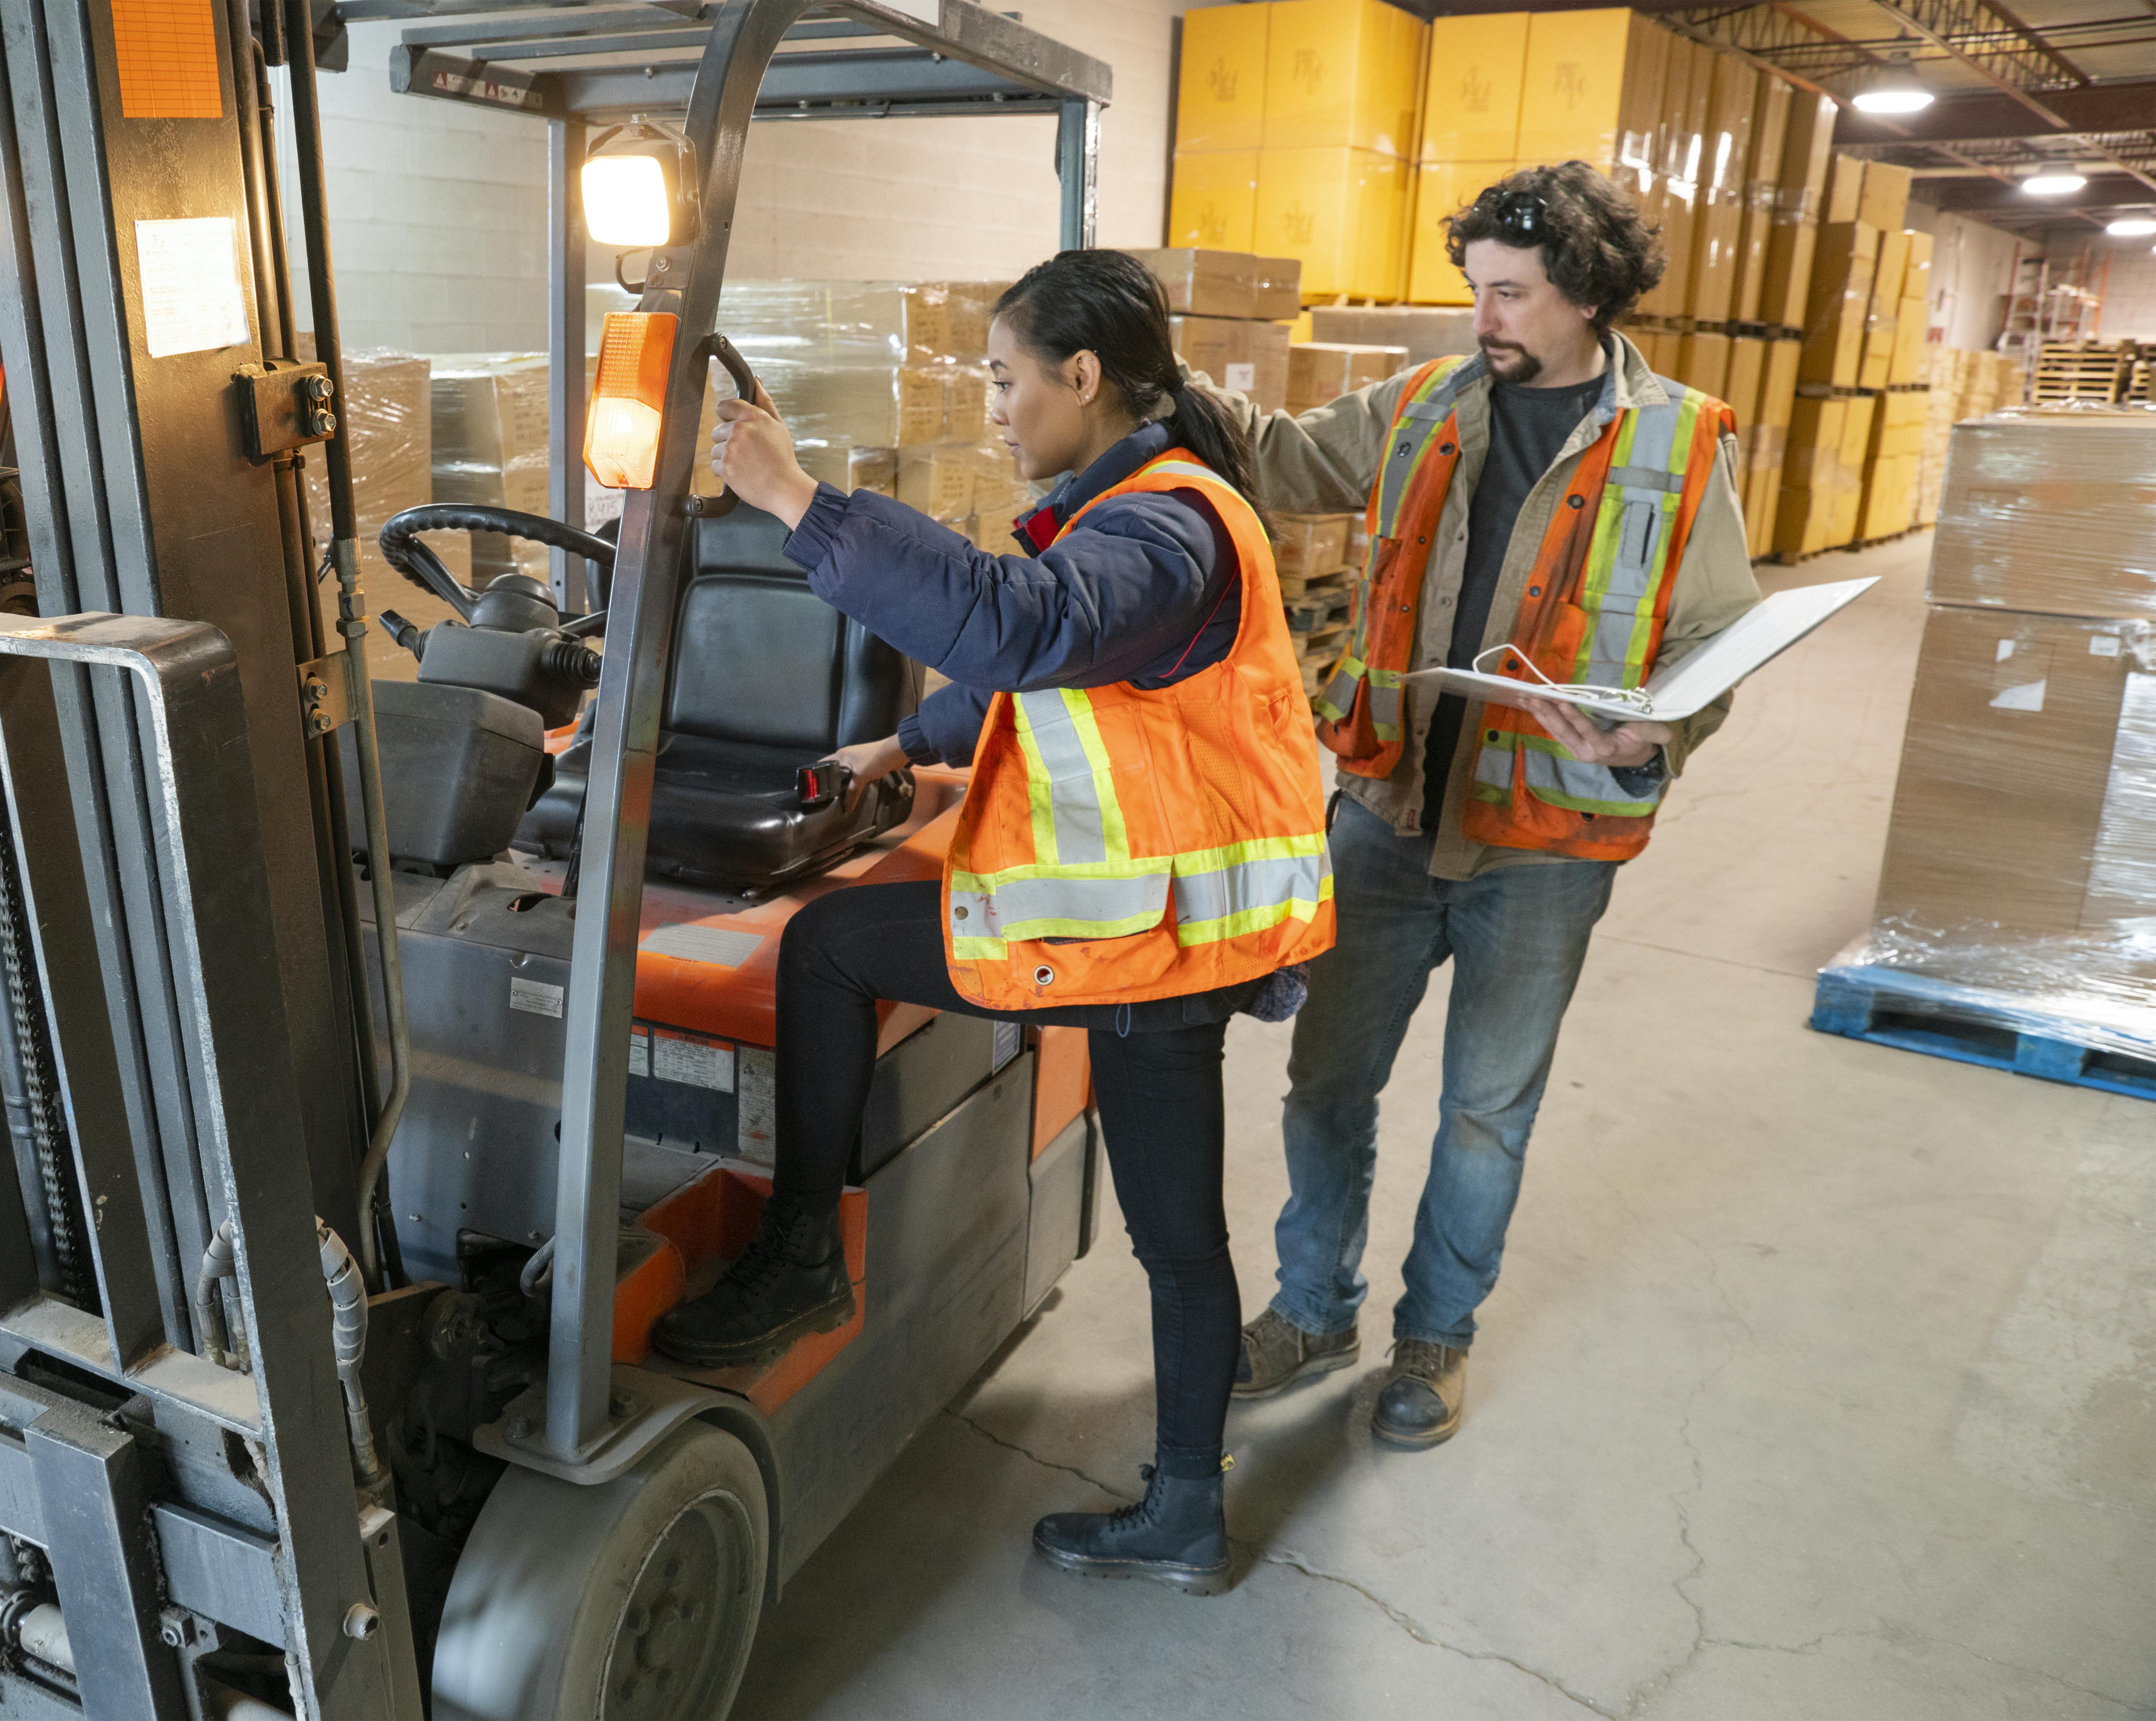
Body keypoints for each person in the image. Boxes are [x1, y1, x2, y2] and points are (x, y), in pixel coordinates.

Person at [658, 249, 1332, 1595]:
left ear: (1081, 378)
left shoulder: (1165, 527)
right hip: (1157, 939)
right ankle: (1187, 1510)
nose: (994, 407)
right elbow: (1048, 678)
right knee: (1179, 1238)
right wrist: (895, 746)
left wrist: (797, 500)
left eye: (1004, 378)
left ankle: (805, 1256)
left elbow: (1021, 632)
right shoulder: (1139, 513)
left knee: (827, 946)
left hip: (1141, 946)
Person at [1217, 162, 1761, 1447]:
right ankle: (1312, 1309)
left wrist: (1656, 726)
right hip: (1388, 808)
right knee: (1322, 1088)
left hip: (1543, 844)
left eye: (1508, 295)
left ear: (1582, 297)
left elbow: (1715, 636)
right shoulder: (1424, 403)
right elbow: (1285, 458)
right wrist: (1157, 378)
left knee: (1481, 1114)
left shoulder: (1676, 441)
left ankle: (1432, 1340)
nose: (1483, 317)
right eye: (1476, 291)